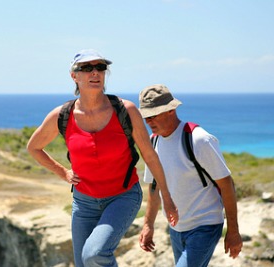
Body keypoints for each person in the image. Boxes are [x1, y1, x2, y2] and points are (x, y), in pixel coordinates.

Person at [27, 49, 178, 267]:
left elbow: (150, 156)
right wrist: (63, 172)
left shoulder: (125, 110)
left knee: (94, 254)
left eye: (100, 67)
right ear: (74, 75)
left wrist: (168, 198)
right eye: (87, 68)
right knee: (83, 264)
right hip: (83, 202)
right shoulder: (63, 115)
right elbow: (34, 147)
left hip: (122, 197)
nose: (95, 72)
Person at [138, 84, 243, 267]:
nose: (149, 122)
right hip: (176, 229)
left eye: (153, 115)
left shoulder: (198, 139)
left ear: (170, 110)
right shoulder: (153, 143)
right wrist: (148, 224)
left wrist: (233, 231)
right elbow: (154, 187)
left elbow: (227, 184)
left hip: (205, 225)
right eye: (146, 117)